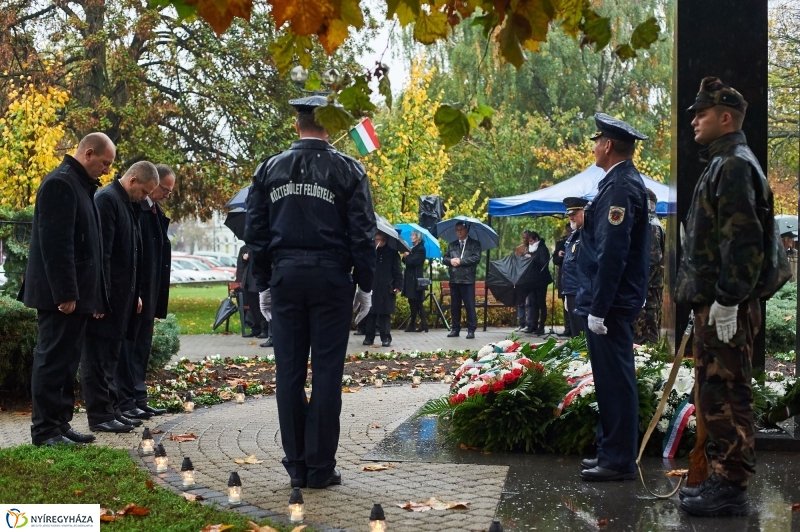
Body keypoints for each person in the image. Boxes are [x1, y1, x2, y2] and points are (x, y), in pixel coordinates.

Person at [244, 95, 376, 490]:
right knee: (327, 374)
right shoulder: (348, 169)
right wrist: (366, 286)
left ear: (297, 125)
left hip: (286, 279)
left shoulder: (269, 169)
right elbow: (363, 234)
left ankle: (297, 466)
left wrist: (264, 283)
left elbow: (256, 233)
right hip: (332, 280)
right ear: (329, 126)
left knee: (288, 374)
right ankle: (320, 468)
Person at [676, 77, 790, 517]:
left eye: (700, 114)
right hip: (719, 304)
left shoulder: (735, 165)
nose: (694, 122)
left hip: (729, 306)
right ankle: (724, 479)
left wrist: (727, 299)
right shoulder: (723, 163)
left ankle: (731, 484)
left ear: (726, 118)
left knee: (727, 393)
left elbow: (742, 244)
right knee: (715, 393)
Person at [21, 133, 115, 446]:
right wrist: (65, 293)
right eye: (105, 162)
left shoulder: (80, 185)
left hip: (76, 295)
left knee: (66, 362)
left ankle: (59, 425)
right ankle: (45, 430)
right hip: (60, 297)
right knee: (52, 361)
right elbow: (56, 245)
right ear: (88, 153)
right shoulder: (60, 184)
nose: (106, 170)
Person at [574, 113, 650, 482]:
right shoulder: (617, 184)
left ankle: (617, 459)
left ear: (607, 145)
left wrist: (600, 308)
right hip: (610, 299)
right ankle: (611, 452)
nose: (593, 146)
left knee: (615, 381)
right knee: (609, 380)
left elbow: (613, 253)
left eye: (596, 140)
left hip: (611, 303)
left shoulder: (620, 188)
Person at [81, 161, 160, 433]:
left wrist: (135, 293)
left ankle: (112, 409)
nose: (144, 198)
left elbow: (132, 253)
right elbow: (101, 253)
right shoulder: (107, 200)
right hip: (107, 297)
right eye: (144, 192)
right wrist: (99, 296)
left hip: (122, 297)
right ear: (133, 180)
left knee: (111, 357)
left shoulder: (126, 202)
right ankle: (100, 415)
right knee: (98, 358)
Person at [116, 163, 175, 419]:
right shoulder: (136, 209)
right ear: (152, 184)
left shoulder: (155, 210)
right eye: (165, 189)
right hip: (137, 290)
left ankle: (139, 398)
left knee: (142, 347)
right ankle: (126, 401)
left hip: (150, 290)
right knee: (128, 350)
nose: (167, 195)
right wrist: (137, 290)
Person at [633, 188, 665, 345]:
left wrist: (640, 287)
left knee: (645, 334)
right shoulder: (651, 223)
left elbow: (652, 260)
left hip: (647, 289)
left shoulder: (650, 225)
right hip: (649, 287)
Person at [363, 232, 403, 347]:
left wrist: (398, 285)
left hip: (386, 287)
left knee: (384, 314)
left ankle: (385, 338)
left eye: (378, 239)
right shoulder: (372, 252)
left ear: (384, 240)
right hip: (372, 285)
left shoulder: (392, 253)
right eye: (375, 239)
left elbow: (398, 271)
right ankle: (369, 337)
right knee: (370, 313)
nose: (376, 241)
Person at [444, 220, 481, 339]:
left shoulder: (474, 244)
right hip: (454, 279)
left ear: (467, 230)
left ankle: (471, 329)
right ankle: (455, 328)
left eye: (461, 230)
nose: (459, 232)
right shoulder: (452, 245)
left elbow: (476, 258)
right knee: (455, 306)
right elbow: (444, 258)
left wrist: (461, 261)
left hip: (467, 279)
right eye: (457, 230)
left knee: (469, 306)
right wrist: (450, 261)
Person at [561, 197, 588, 337]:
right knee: (576, 335)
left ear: (584, 212)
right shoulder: (573, 236)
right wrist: (567, 294)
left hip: (582, 292)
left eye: (574, 213)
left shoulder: (589, 234)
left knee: (583, 336)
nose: (571, 217)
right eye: (569, 214)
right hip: (572, 291)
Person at [236, 245, 270, 341]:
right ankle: (255, 328)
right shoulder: (244, 248)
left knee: (261, 304)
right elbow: (241, 265)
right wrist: (244, 258)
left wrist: (252, 255)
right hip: (248, 279)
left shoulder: (262, 246)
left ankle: (265, 329)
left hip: (258, 278)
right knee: (252, 304)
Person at [523, 231, 552, 335]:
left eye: (531, 241)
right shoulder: (530, 250)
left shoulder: (542, 249)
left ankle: (542, 326)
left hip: (541, 280)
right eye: (529, 241)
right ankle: (533, 325)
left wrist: (532, 259)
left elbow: (543, 263)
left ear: (536, 240)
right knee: (533, 303)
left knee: (541, 303)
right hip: (532, 280)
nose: (530, 243)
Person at [402, 230, 429, 332]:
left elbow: (411, 262)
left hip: (416, 280)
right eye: (411, 235)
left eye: (413, 235)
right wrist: (405, 256)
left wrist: (407, 256)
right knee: (412, 302)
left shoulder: (421, 249)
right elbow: (405, 261)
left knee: (417, 302)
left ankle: (423, 324)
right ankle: (413, 324)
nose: (411, 237)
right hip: (410, 279)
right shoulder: (412, 248)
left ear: (418, 237)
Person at [553, 223, 573, 337]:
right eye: (567, 231)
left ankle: (574, 329)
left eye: (570, 231)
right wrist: (559, 255)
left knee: (573, 305)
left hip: (574, 279)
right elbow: (555, 260)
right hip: (564, 277)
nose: (568, 233)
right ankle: (567, 328)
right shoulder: (562, 243)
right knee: (565, 304)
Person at [514, 230, 531, 331]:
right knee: (520, 302)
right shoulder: (519, 249)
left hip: (529, 278)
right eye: (523, 237)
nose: (525, 239)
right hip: (520, 277)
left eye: (527, 237)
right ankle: (522, 323)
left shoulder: (533, 248)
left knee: (529, 302)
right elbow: (515, 262)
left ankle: (529, 323)